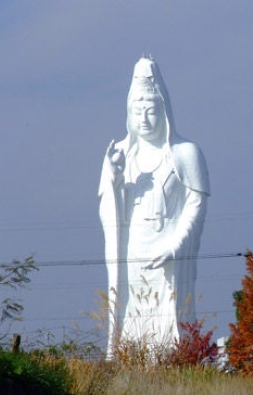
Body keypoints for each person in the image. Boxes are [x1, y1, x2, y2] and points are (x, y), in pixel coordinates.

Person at [99, 56, 210, 356]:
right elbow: (109, 210)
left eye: (151, 110)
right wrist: (114, 178)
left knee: (170, 314)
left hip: (169, 250)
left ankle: (173, 360)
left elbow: (196, 204)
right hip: (133, 250)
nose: (144, 119)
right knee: (133, 311)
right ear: (129, 113)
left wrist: (176, 245)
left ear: (165, 110)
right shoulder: (120, 154)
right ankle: (128, 358)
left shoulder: (185, 153)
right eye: (138, 111)